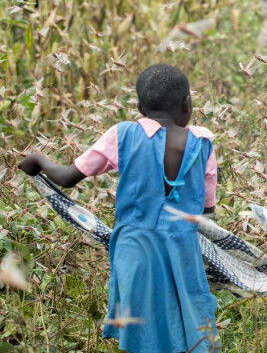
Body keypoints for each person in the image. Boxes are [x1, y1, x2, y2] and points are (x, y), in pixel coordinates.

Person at [18, 64, 219, 352]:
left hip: (134, 250)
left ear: (139, 107)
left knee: (144, 327)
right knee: (189, 322)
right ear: (187, 104)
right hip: (183, 252)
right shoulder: (203, 145)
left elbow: (67, 177)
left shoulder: (122, 134)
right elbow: (207, 214)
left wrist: (38, 159)